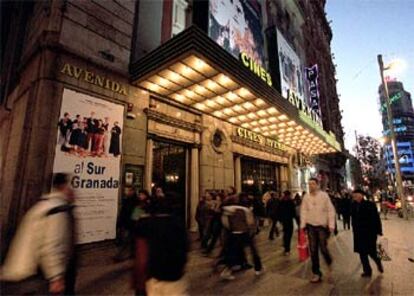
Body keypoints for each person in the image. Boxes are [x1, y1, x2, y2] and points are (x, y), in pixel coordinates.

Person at [1, 173, 77, 295]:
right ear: (64, 187)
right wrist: (55, 276)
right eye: (71, 187)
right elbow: (51, 245)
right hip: (35, 273)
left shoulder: (44, 204)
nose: (74, 192)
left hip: (22, 271)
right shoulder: (57, 209)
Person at [133, 195, 188, 296]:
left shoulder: (146, 225)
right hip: (175, 278)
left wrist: (139, 283)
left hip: (155, 279)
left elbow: (141, 258)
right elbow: (185, 251)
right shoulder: (178, 224)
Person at [300, 178, 336, 283]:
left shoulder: (324, 196)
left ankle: (329, 262)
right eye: (309, 184)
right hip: (310, 226)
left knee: (323, 248)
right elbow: (303, 211)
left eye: (313, 184)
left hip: (321, 226)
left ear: (317, 185)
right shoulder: (306, 197)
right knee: (313, 250)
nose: (311, 186)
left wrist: (331, 225)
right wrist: (302, 225)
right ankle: (316, 273)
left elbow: (331, 210)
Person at [351, 189, 384, 277]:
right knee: (362, 253)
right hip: (358, 233)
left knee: (371, 252)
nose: (355, 197)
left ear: (361, 195)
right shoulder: (353, 205)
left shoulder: (370, 205)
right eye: (354, 195)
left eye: (357, 195)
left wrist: (379, 231)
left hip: (369, 232)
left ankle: (378, 262)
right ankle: (367, 271)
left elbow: (376, 218)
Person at [114, 187, 137, 262]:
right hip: (127, 223)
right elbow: (123, 212)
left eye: (128, 191)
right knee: (128, 240)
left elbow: (134, 213)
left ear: (132, 191)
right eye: (126, 191)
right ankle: (131, 254)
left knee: (127, 240)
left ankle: (120, 255)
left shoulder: (135, 201)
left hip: (131, 224)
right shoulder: (126, 200)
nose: (126, 192)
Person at [278, 191, 296, 255]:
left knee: (285, 234)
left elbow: (278, 211)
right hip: (289, 220)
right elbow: (293, 212)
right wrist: (297, 220)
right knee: (289, 234)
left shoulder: (281, 201)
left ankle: (285, 247)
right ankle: (287, 249)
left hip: (283, 220)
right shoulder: (290, 201)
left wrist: (280, 220)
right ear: (289, 195)